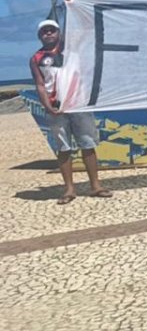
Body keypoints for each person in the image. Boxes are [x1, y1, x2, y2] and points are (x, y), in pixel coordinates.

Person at [28, 19, 112, 204]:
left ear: (59, 33)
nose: (48, 33)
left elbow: (86, 28)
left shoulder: (73, 49)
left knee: (88, 144)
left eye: (52, 30)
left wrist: (72, 7)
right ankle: (69, 189)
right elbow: (40, 85)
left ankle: (96, 185)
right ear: (39, 36)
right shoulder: (36, 58)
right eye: (44, 31)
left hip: (78, 103)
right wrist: (47, 106)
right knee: (63, 148)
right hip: (56, 108)